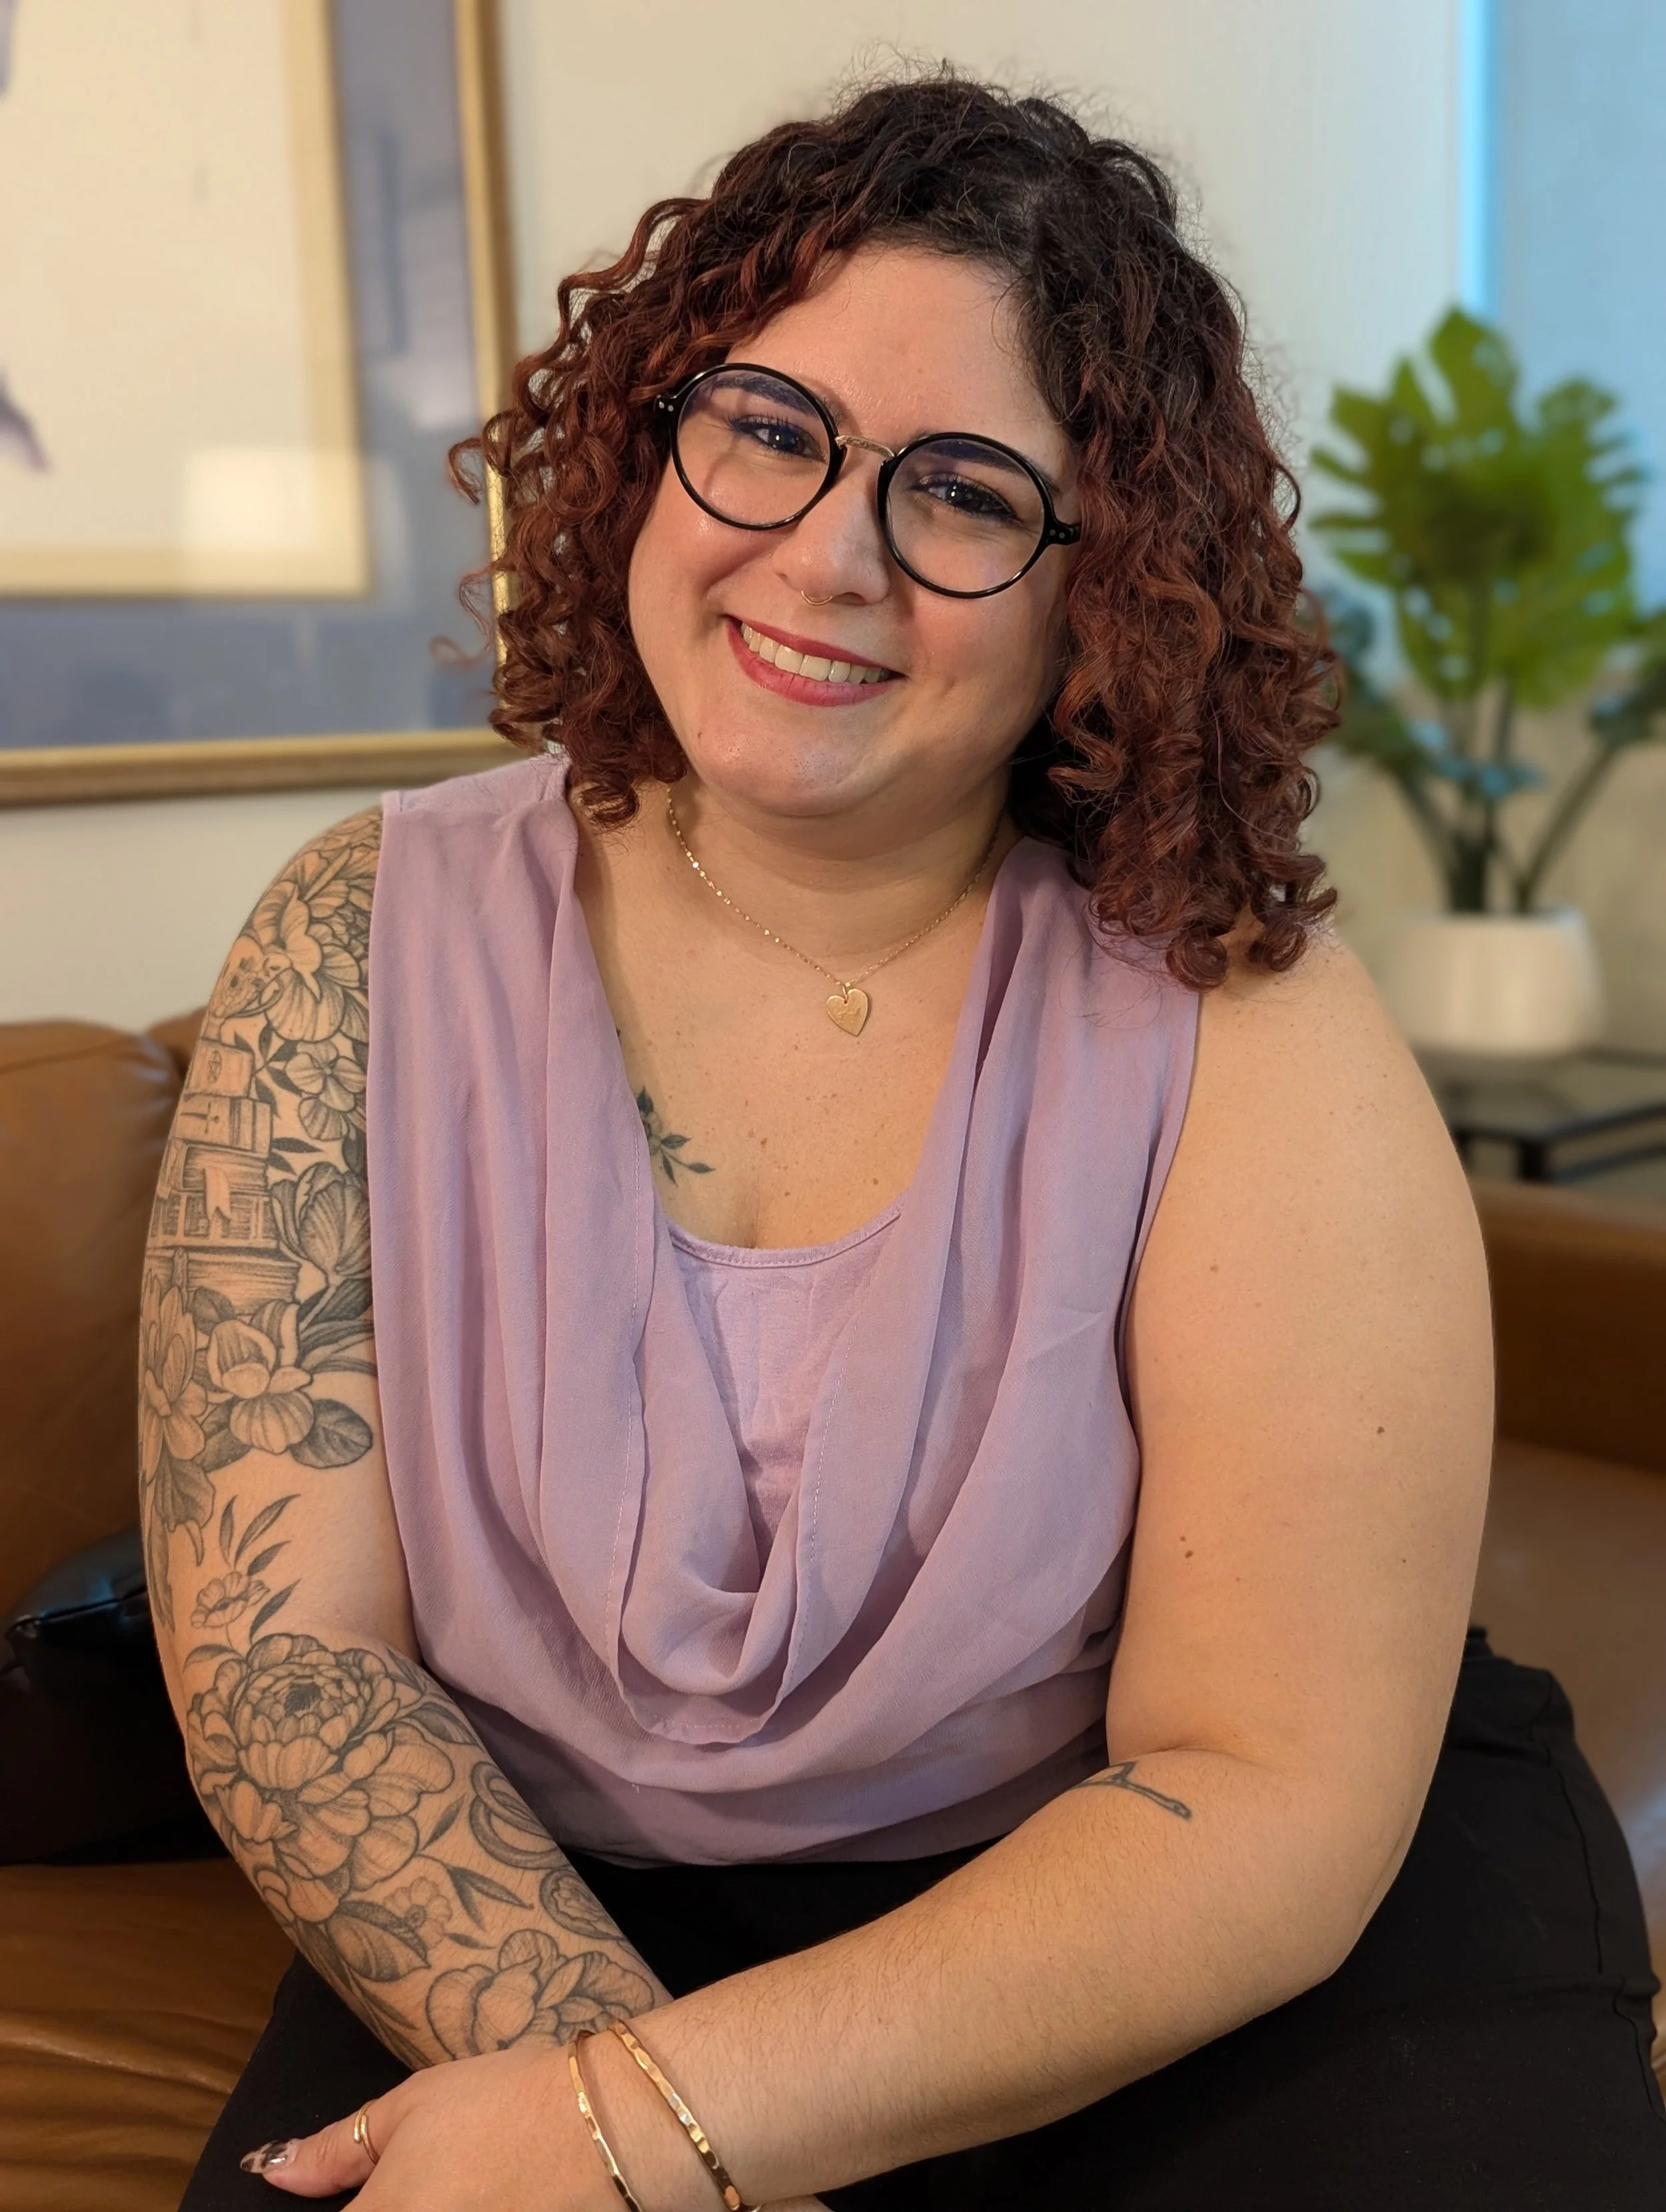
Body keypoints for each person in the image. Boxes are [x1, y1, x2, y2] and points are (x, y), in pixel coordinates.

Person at [151, 77, 1664, 2211]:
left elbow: (1253, 1791)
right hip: (520, 1913)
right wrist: (628, 2109)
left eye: (961, 492)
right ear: (648, 438)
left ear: (1096, 595)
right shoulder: (352, 939)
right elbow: (285, 1660)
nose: (825, 554)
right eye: (768, 426)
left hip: (1134, 1902)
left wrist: (638, 2135)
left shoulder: (1233, 1009)